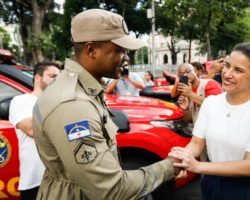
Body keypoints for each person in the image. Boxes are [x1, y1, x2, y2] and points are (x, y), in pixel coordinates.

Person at [32, 9, 181, 200]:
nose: (127, 58)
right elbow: (111, 190)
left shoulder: (83, 89)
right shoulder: (73, 105)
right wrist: (169, 167)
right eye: (119, 50)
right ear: (91, 50)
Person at [169, 43, 250, 200]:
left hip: (247, 190)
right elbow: (197, 143)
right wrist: (182, 159)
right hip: (211, 183)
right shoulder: (210, 102)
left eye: (239, 70)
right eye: (227, 65)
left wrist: (197, 166)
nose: (227, 74)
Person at [9, 62, 61, 200]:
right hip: (36, 181)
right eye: (52, 76)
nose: (57, 80)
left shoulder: (61, 103)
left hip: (64, 180)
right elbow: (32, 130)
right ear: (38, 78)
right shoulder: (21, 101)